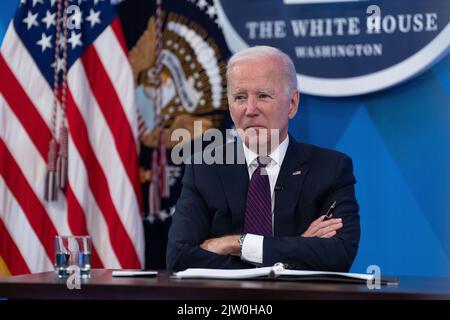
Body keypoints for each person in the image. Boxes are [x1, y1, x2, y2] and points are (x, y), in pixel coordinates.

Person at [166, 46, 360, 272]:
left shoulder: (331, 169)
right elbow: (179, 258)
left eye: (263, 96)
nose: (250, 110)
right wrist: (298, 247)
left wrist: (236, 243)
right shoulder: (205, 169)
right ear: (229, 106)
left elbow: (339, 254)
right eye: (240, 97)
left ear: (292, 104)